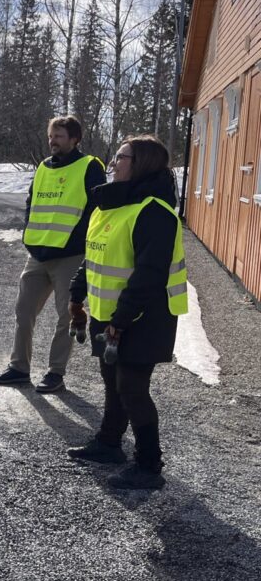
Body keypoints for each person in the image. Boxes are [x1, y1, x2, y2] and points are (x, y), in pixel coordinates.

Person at [66, 135, 187, 491]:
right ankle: (108, 444)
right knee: (112, 382)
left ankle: (149, 466)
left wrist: (121, 320)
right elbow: (94, 257)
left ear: (142, 163)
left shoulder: (155, 212)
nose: (113, 162)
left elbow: (148, 275)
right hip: (111, 313)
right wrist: (77, 293)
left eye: (121, 157)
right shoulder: (109, 205)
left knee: (132, 388)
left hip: (144, 317)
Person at [0, 115, 105, 394]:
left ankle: (56, 373)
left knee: (66, 315)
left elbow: (96, 209)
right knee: (24, 310)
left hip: (71, 255)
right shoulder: (43, 167)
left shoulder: (90, 166)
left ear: (75, 139)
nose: (53, 141)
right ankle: (19, 368)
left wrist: (78, 242)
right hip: (39, 253)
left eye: (59, 136)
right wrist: (29, 233)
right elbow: (32, 202)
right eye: (51, 136)